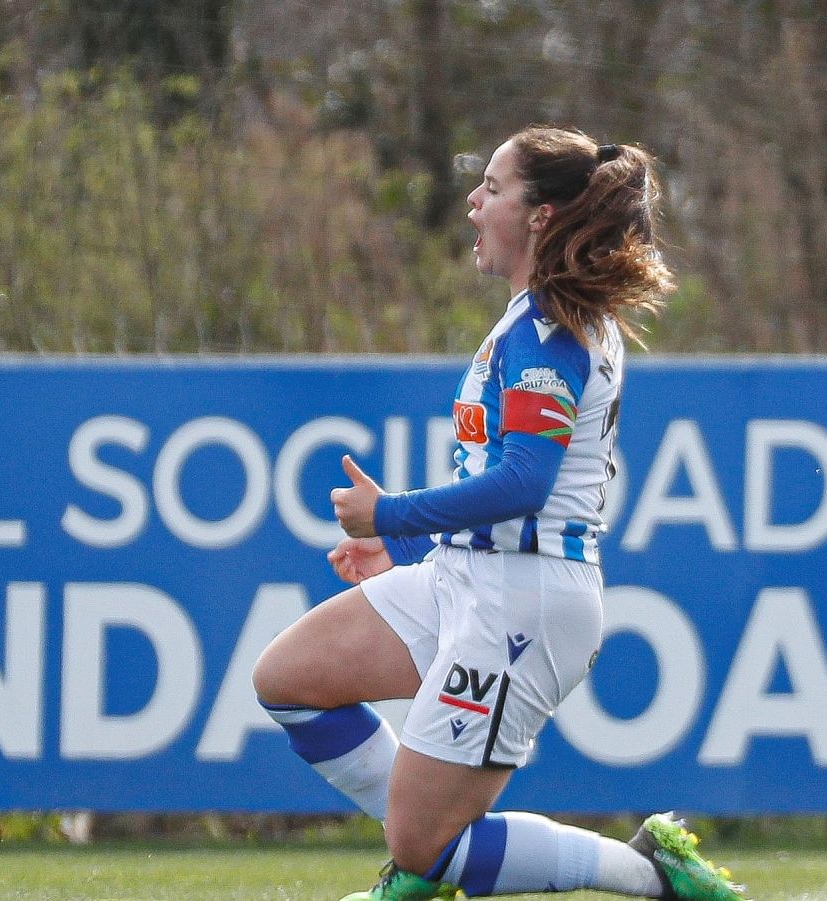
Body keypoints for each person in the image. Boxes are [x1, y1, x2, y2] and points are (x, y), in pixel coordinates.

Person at [251, 126, 748, 901]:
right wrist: (410, 548)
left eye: (492, 187)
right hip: (471, 575)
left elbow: (524, 482)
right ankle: (429, 862)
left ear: (540, 214)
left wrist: (392, 514)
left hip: (524, 597)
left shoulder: (549, 329)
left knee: (421, 838)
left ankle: (647, 871)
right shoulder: (533, 318)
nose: (474, 203)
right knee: (289, 677)